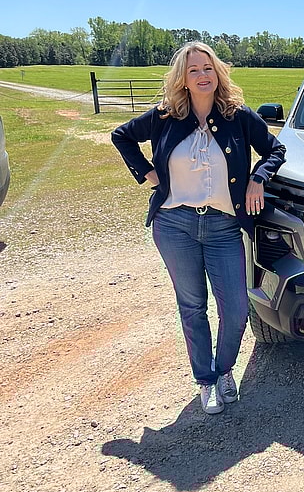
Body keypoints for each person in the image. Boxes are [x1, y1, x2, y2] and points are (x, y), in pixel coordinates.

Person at [111, 42, 286, 415]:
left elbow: (275, 150)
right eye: (193, 70)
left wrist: (258, 178)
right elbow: (121, 135)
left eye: (207, 68)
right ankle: (206, 380)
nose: (202, 75)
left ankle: (225, 370)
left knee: (236, 308)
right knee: (192, 306)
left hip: (224, 226)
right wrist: (149, 175)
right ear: (183, 78)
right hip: (174, 224)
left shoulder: (238, 116)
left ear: (217, 72)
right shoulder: (164, 116)